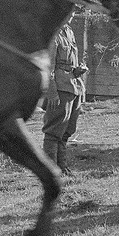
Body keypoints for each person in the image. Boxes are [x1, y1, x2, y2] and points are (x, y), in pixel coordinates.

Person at [42, 20, 87, 169]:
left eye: (74, 11)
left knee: (67, 130)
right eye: (70, 10)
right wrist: (52, 92)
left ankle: (62, 168)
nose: (72, 14)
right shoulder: (54, 33)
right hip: (60, 88)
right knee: (53, 131)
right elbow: (48, 67)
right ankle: (50, 170)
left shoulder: (68, 31)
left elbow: (68, 64)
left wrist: (77, 70)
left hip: (73, 86)